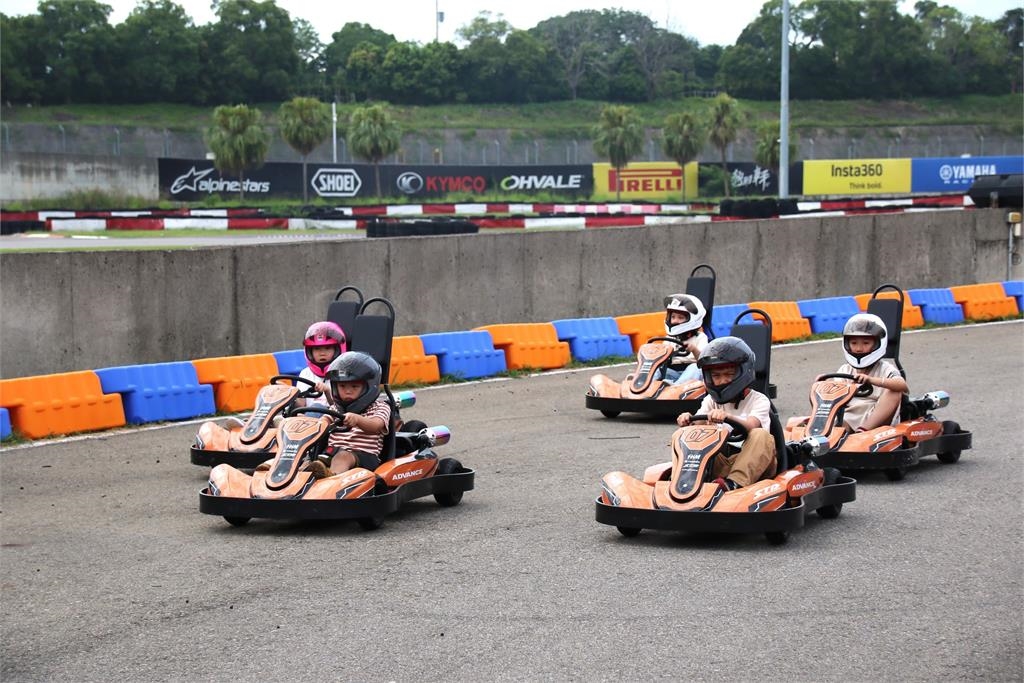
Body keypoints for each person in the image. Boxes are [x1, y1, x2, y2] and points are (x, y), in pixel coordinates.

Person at [675, 336, 776, 491]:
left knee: (759, 435)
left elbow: (751, 425)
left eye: (729, 374)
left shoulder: (759, 400)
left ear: (743, 372)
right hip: (722, 462)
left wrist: (728, 418)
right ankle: (683, 482)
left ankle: (735, 483)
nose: (722, 381)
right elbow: (697, 425)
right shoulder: (710, 400)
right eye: (716, 376)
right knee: (682, 434)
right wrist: (688, 421)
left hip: (756, 465)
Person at [307, 351, 391, 478]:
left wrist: (358, 420)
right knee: (310, 460)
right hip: (332, 453)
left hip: (364, 457)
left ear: (369, 387)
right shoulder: (336, 408)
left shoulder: (380, 407)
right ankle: (286, 474)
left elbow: (376, 425)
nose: (347, 391)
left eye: (354, 386)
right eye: (342, 386)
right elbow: (323, 422)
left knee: (343, 457)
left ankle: (332, 480)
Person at [826, 312, 908, 432]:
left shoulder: (885, 368)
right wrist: (822, 385)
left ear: (877, 344)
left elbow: (902, 385)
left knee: (894, 391)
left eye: (865, 343)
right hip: (848, 416)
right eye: (854, 343)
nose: (859, 348)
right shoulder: (845, 370)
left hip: (875, 418)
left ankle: (862, 432)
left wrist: (871, 380)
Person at [294, 321, 347, 408]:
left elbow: (340, 408)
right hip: (308, 418)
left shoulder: (343, 374)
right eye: (317, 349)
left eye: (327, 348)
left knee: (317, 407)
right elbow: (300, 405)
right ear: (310, 352)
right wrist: (287, 394)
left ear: (337, 349)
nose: (322, 353)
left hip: (332, 417)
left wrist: (327, 391)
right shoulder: (305, 373)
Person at [660, 293, 709, 385]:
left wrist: (694, 349)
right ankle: (642, 386)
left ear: (693, 319)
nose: (675, 321)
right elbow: (662, 358)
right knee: (656, 369)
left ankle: (675, 388)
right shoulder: (669, 338)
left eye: (680, 317)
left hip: (692, 373)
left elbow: (703, 361)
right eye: (673, 317)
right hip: (673, 371)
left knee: (695, 367)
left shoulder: (700, 337)